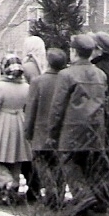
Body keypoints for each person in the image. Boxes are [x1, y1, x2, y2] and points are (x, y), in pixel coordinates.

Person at [49, 33, 109, 216]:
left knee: (68, 162)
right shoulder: (100, 74)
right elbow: (105, 102)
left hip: (72, 127)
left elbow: (58, 106)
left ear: (74, 52)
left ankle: (83, 195)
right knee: (89, 164)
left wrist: (53, 133)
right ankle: (96, 199)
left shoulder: (66, 74)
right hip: (95, 127)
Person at [0, 54, 33, 205]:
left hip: (2, 121)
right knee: (16, 159)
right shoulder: (26, 86)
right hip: (19, 121)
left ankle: (8, 183)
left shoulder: (0, 86)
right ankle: (12, 192)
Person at [23, 47, 67, 207]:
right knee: (58, 166)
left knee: (42, 164)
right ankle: (59, 195)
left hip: (40, 131)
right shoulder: (66, 80)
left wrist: (27, 131)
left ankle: (51, 194)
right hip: (61, 132)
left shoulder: (38, 82)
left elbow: (31, 107)